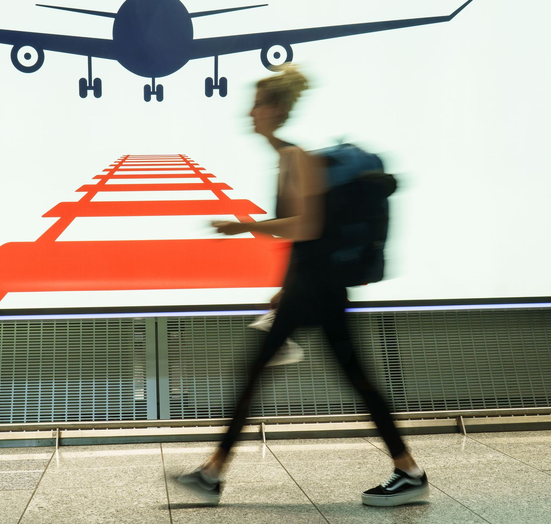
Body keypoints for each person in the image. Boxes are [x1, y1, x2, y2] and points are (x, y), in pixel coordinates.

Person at [175, 65, 428, 507]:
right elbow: (307, 236)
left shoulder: (295, 157)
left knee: (271, 375)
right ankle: (407, 469)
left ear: (274, 110)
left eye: (257, 105)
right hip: (311, 289)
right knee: (347, 378)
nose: (250, 113)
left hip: (317, 289)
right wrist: (282, 288)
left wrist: (243, 227)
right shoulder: (288, 157)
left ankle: (214, 473)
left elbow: (306, 227)